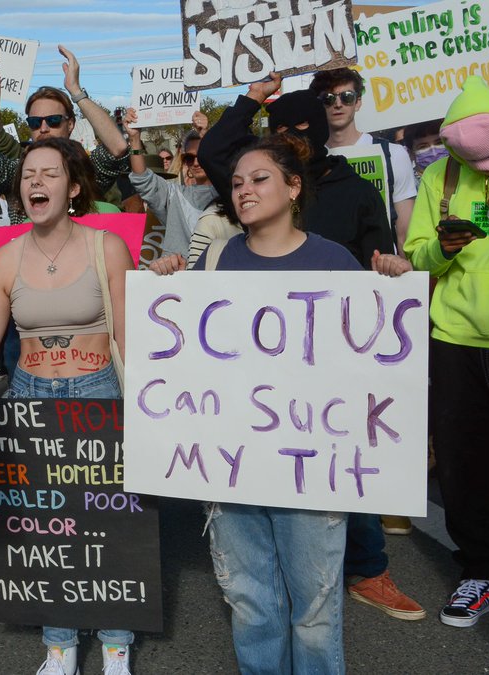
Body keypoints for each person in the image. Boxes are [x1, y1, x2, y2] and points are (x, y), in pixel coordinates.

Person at [155, 133, 362, 674]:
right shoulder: (217, 263)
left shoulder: (335, 261)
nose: (244, 189)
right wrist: (165, 286)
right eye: (238, 182)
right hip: (233, 463)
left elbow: (366, 363)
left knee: (314, 607)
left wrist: (387, 284)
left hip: (310, 463)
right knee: (250, 601)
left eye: (260, 178)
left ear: (294, 187)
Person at [0, 136, 136, 675]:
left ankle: (116, 645)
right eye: (29, 173)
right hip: (30, 399)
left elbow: (127, 338)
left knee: (104, 526)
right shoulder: (5, 257)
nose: (36, 181)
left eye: (50, 173)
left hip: (97, 394)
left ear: (73, 187)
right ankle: (60, 648)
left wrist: (152, 409)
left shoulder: (107, 249)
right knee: (45, 527)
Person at [404, 76, 489, 628]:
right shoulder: (440, 173)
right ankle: (479, 572)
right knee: (462, 466)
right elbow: (419, 255)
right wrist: (442, 249)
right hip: (454, 340)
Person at [198, 72, 393, 269]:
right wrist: (256, 96)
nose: (291, 135)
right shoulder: (257, 190)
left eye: (302, 124)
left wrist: (392, 269)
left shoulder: (359, 193)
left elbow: (378, 270)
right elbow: (211, 151)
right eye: (281, 129)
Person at [0, 42, 130, 225]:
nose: (44, 128)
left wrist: (76, 91)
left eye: (53, 120)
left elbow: (118, 148)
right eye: (35, 122)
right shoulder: (19, 171)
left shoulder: (84, 169)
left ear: (70, 124)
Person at [310, 68, 418, 252]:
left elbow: (404, 234)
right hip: (324, 265)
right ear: (318, 104)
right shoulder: (308, 160)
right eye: (328, 98)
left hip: (381, 269)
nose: (338, 104)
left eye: (347, 97)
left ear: (358, 102)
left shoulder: (393, 154)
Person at [124, 109, 217, 258]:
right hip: (180, 278)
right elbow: (143, 180)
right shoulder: (176, 195)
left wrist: (206, 134)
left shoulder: (232, 193)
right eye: (189, 158)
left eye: (202, 155)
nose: (196, 162)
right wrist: (134, 139)